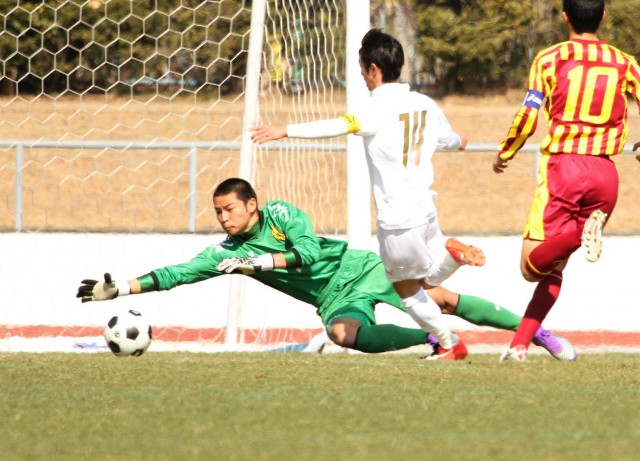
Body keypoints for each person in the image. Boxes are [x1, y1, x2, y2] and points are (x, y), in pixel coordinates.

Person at [252, 29, 530, 360]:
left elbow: (337, 125)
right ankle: (452, 258)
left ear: (373, 69)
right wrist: (461, 140)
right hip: (427, 209)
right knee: (426, 283)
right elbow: (448, 140)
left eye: (361, 68)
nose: (362, 77)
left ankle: (447, 343)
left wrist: (285, 130)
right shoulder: (424, 103)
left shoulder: (374, 108)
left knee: (407, 292)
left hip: (397, 219)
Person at [77, 178, 573, 360]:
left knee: (439, 300)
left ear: (252, 204)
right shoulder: (226, 251)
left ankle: (537, 334)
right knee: (342, 334)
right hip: (333, 298)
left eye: (229, 209)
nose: (223, 217)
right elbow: (179, 272)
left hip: (359, 267)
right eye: (218, 212)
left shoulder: (283, 216)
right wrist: (120, 287)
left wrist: (258, 261)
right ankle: (435, 343)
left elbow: (309, 254)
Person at [493, 0, 640, 361]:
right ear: (603, 16)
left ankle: (580, 233)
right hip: (605, 175)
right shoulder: (626, 63)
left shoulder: (549, 59)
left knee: (531, 267)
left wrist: (506, 152)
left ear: (564, 17)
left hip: (564, 169)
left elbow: (528, 115)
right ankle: (519, 347)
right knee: (554, 268)